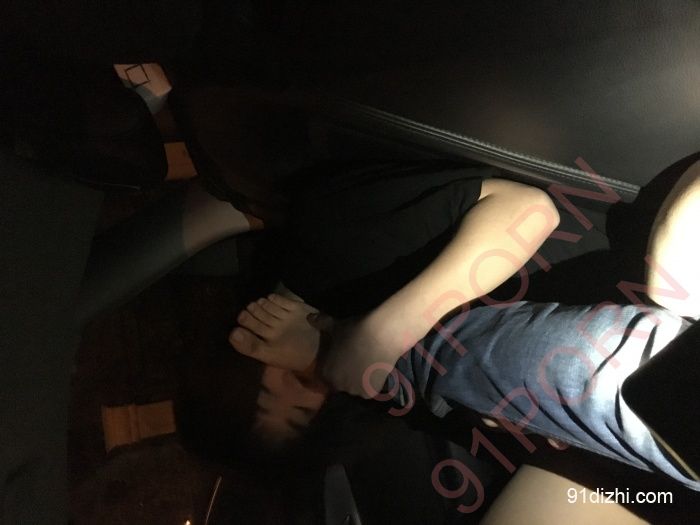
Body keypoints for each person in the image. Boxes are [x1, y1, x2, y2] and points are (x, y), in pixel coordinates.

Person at [223, 159, 700, 492]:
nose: (305, 387)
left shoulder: (324, 249)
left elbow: (529, 211)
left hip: (647, 268)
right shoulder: (384, 394)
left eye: (269, 393)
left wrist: (383, 334)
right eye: (302, 414)